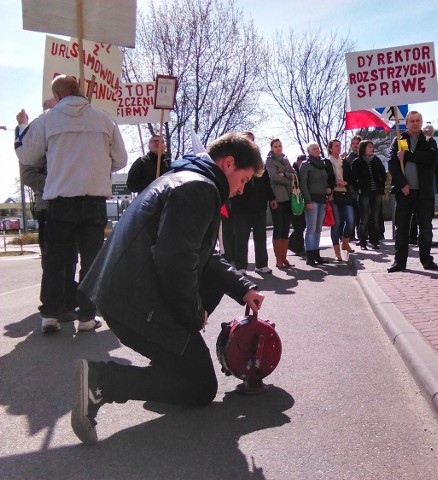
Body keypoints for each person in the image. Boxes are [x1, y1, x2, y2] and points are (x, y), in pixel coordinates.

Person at [71, 133, 265, 445]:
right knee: (200, 386)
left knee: (189, 367)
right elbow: (175, 260)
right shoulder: (199, 189)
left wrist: (242, 288)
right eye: (242, 179)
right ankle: (103, 381)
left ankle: (167, 368)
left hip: (126, 294)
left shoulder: (188, 179)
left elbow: (201, 253)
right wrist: (192, 316)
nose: (241, 190)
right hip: (134, 304)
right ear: (228, 163)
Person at [15, 75, 127, 333]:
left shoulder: (47, 119)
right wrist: (97, 166)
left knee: (56, 260)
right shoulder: (103, 119)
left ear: (58, 95)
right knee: (91, 261)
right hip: (94, 201)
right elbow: (120, 159)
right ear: (81, 90)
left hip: (60, 202)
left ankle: (51, 315)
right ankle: (87, 316)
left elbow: (26, 154)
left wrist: (22, 128)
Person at [17, 98, 78, 323]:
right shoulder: (35, 137)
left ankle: (70, 301)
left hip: (73, 204)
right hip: (49, 207)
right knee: (53, 259)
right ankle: (53, 307)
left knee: (71, 258)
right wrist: (57, 182)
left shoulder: (70, 134)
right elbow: (28, 175)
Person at [387, 110, 438, 272]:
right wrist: (402, 184)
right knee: (401, 228)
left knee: (425, 227)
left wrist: (408, 155)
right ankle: (399, 262)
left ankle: (426, 260)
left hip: (424, 192)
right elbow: (392, 164)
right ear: (406, 123)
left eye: (418, 120)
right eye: (412, 121)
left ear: (421, 123)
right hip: (404, 192)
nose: (415, 123)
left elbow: (430, 159)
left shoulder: (429, 141)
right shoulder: (399, 140)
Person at [229, 168, 275, 274]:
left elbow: (267, 183)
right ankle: (240, 266)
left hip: (259, 208)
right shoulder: (238, 165)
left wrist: (272, 198)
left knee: (260, 237)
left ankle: (262, 265)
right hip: (240, 208)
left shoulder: (261, 167)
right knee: (241, 238)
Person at [299, 142, 331, 266]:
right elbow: (303, 183)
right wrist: (308, 201)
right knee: (311, 228)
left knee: (318, 229)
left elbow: (325, 180)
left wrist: (328, 188)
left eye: (318, 148)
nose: (317, 150)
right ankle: (310, 255)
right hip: (312, 200)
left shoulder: (322, 164)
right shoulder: (305, 165)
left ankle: (317, 254)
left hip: (322, 199)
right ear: (309, 151)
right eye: (314, 149)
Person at [265, 138, 295, 268]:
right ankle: (278, 259)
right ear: (272, 148)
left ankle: (284, 257)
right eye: (276, 146)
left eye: (280, 146)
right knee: (278, 227)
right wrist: (288, 180)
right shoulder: (270, 160)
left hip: (289, 198)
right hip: (277, 198)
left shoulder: (285, 159)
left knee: (286, 228)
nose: (278, 148)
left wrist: (285, 174)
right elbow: (274, 177)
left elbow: (294, 175)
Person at [351, 140, 386, 250]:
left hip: (376, 193)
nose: (372, 148)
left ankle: (375, 241)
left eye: (372, 147)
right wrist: (359, 188)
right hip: (364, 193)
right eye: (369, 147)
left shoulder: (376, 160)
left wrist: (381, 187)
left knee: (375, 218)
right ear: (363, 148)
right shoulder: (357, 162)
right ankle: (363, 242)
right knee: (364, 218)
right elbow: (353, 179)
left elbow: (383, 174)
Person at [325, 139, 356, 260]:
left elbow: (351, 177)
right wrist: (335, 183)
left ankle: (345, 242)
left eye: (339, 146)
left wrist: (346, 182)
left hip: (345, 194)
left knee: (350, 220)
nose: (338, 148)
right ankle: (337, 251)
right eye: (336, 146)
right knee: (337, 223)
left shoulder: (344, 162)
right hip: (334, 196)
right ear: (330, 149)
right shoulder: (327, 162)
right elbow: (327, 179)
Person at [289, 154, 307, 255]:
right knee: (298, 225)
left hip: (301, 199)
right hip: (295, 199)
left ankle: (292, 243)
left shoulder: (301, 170)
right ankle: (298, 247)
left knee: (302, 224)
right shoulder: (294, 171)